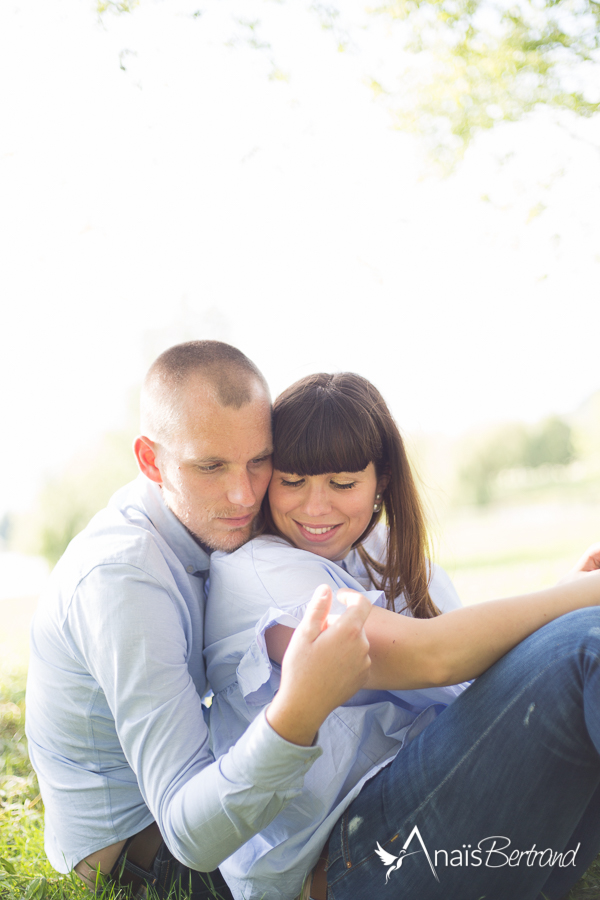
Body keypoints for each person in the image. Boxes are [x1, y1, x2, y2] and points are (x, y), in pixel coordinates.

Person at [204, 372, 600, 900]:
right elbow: (434, 656)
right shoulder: (256, 573)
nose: (314, 507)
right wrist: (579, 601)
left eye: (342, 483)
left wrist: (564, 605)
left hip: (449, 818)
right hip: (350, 856)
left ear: (381, 480)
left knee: (579, 641)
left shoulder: (390, 554)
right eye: (292, 481)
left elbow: (472, 685)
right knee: (585, 647)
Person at [25, 342, 374, 900]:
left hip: (194, 810)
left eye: (259, 461)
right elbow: (191, 835)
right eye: (209, 467)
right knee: (395, 840)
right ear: (150, 460)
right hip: (142, 857)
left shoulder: (212, 521)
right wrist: (298, 711)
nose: (243, 494)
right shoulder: (124, 576)